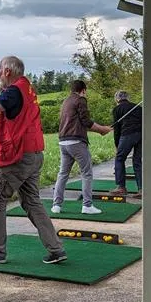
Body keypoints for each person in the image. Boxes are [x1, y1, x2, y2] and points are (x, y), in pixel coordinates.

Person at [0, 56, 68, 264]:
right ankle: (56, 249)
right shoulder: (24, 87)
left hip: (18, 156)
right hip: (34, 154)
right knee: (31, 201)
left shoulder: (13, 92)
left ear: (8, 72)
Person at [51, 80, 112, 214]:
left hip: (63, 142)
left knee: (63, 174)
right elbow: (86, 122)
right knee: (87, 173)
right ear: (83, 90)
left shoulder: (66, 101)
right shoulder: (80, 100)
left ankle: (56, 205)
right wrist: (102, 129)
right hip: (76, 142)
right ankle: (87, 205)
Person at [109, 90, 142, 197]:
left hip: (127, 134)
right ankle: (142, 189)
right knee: (137, 161)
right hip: (142, 134)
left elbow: (117, 130)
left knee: (119, 158)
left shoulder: (117, 109)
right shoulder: (138, 107)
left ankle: (121, 188)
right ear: (127, 98)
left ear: (117, 99)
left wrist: (117, 145)